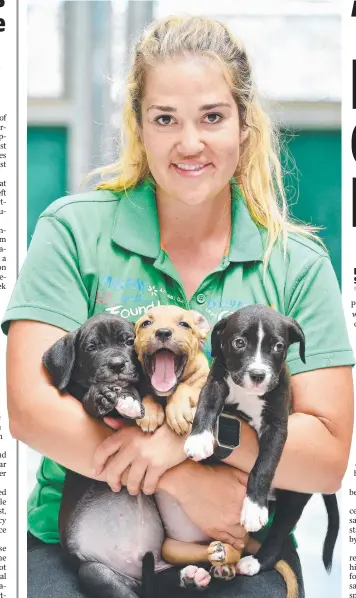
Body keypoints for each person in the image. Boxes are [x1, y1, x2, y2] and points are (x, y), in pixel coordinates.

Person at [3, 14, 354, 598]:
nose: (189, 143)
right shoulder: (72, 230)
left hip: (229, 540)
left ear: (245, 125)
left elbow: (326, 455)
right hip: (84, 534)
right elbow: (29, 406)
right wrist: (181, 471)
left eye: (212, 118)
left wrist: (198, 439)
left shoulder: (298, 262)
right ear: (140, 128)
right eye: (165, 119)